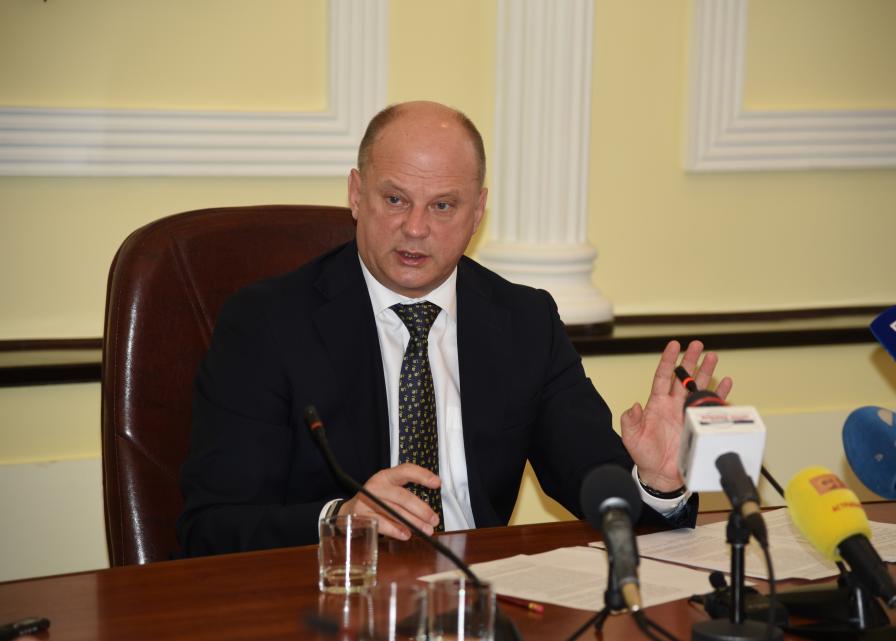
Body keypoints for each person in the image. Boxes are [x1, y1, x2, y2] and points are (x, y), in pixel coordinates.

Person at [177, 101, 731, 556]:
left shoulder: (524, 322)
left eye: (443, 206)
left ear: (478, 212)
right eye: (395, 199)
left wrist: (657, 483)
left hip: (483, 600)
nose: (415, 228)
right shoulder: (268, 323)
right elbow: (211, 527)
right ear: (356, 194)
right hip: (337, 602)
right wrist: (340, 519)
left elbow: (599, 489)